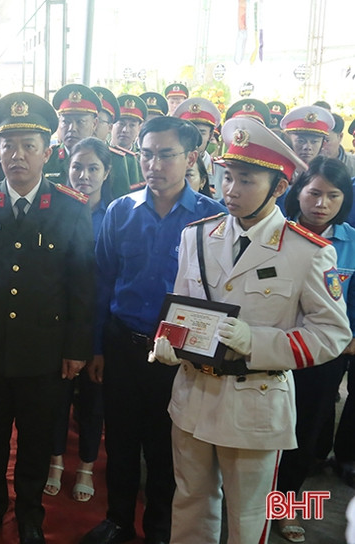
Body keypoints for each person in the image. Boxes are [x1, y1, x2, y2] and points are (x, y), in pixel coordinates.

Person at [151, 117, 351, 544]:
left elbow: (331, 334)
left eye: (246, 180)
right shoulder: (197, 236)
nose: (231, 190)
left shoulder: (306, 252)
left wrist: (256, 342)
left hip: (254, 401)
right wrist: (168, 341)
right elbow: (183, 307)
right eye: (227, 177)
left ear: (279, 187)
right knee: (189, 504)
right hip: (193, 395)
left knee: (248, 514)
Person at [0, 92, 95, 544]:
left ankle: (31, 513)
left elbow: (82, 286)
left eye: (29, 146)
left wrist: (76, 348)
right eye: (8, 145)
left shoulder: (71, 207)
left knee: (36, 437)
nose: (17, 156)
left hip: (44, 349)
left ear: (48, 153)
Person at [81, 116, 225, 544]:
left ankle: (161, 529)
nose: (154, 165)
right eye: (146, 155)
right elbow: (102, 282)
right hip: (124, 345)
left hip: (180, 355)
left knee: (169, 447)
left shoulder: (213, 219)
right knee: (121, 441)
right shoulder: (121, 211)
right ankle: (118, 521)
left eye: (166, 155)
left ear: (191, 158)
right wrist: (96, 347)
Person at [274, 156, 355, 542]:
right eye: (314, 193)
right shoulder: (275, 231)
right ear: (298, 192)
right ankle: (247, 500)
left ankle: (286, 507)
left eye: (333, 196)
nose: (322, 204)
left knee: (304, 433)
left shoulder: (351, 243)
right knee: (262, 429)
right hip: (271, 348)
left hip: (323, 356)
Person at [45, 137, 112, 504]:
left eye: (92, 169)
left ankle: (86, 465)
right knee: (56, 397)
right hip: (59, 321)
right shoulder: (54, 209)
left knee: (93, 399)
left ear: (107, 172)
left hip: (99, 321)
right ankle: (55, 461)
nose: (83, 176)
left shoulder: (115, 215)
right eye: (77, 167)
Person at [43, 84, 101, 187]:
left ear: (94, 124)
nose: (72, 128)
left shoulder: (109, 159)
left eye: (80, 122)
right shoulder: (47, 159)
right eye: (66, 122)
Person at [92, 86, 132, 198]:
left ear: (110, 127)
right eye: (90, 120)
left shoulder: (118, 159)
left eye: (99, 121)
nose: (93, 126)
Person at [112, 95, 147, 189]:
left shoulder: (143, 159)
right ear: (111, 125)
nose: (125, 130)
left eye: (132, 125)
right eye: (121, 123)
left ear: (139, 129)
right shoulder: (101, 154)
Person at [321, 113, 355, 178]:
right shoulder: (308, 162)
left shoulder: (352, 164)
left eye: (327, 140)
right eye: (317, 141)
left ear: (340, 137)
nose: (321, 146)